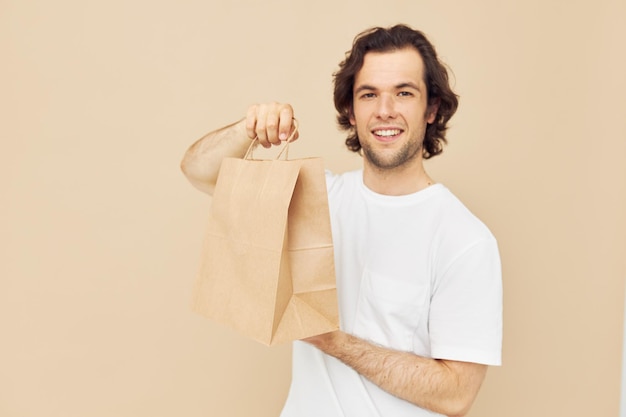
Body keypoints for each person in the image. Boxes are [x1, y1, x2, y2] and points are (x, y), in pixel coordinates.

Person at [181, 24, 502, 417]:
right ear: (350, 110)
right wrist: (249, 131)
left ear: (431, 108)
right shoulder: (317, 201)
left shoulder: (464, 239)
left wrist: (333, 341)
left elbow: (456, 395)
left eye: (404, 93)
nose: (385, 110)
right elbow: (199, 171)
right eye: (369, 94)